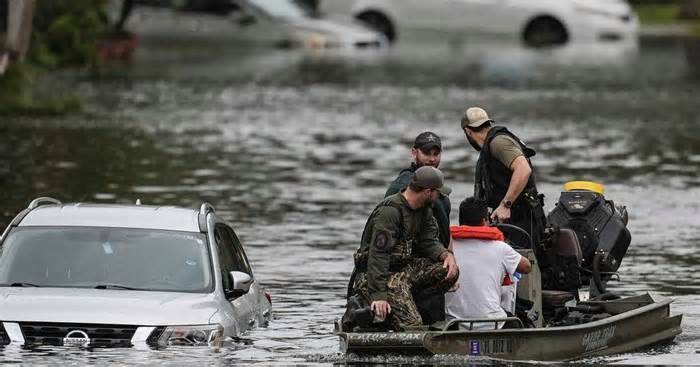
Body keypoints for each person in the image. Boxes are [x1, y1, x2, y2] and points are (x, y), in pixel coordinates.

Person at [344, 166, 459, 331]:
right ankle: (364, 308)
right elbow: (378, 255)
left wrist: (445, 255)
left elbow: (428, 241)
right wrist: (379, 295)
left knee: (448, 271)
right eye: (438, 193)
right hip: (377, 276)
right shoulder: (390, 212)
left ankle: (405, 302)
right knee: (412, 326)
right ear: (428, 192)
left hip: (403, 271)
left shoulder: (423, 210)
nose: (439, 197)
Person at [384, 131, 452, 324]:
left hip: (433, 265)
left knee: (434, 321)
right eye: (426, 153)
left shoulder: (437, 186)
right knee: (417, 324)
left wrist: (449, 257)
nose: (431, 159)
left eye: (436, 153)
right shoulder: (403, 188)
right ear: (414, 153)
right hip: (411, 268)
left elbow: (444, 228)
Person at [460, 106, 547, 247]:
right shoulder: (490, 146)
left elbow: (523, 169)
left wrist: (505, 204)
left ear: (467, 131)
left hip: (522, 221)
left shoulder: (498, 143)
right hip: (511, 221)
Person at [445, 197, 531, 328]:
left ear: (460, 221)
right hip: (493, 323)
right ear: (485, 220)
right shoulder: (500, 248)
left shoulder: (446, 248)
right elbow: (527, 267)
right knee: (519, 322)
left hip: (453, 324)